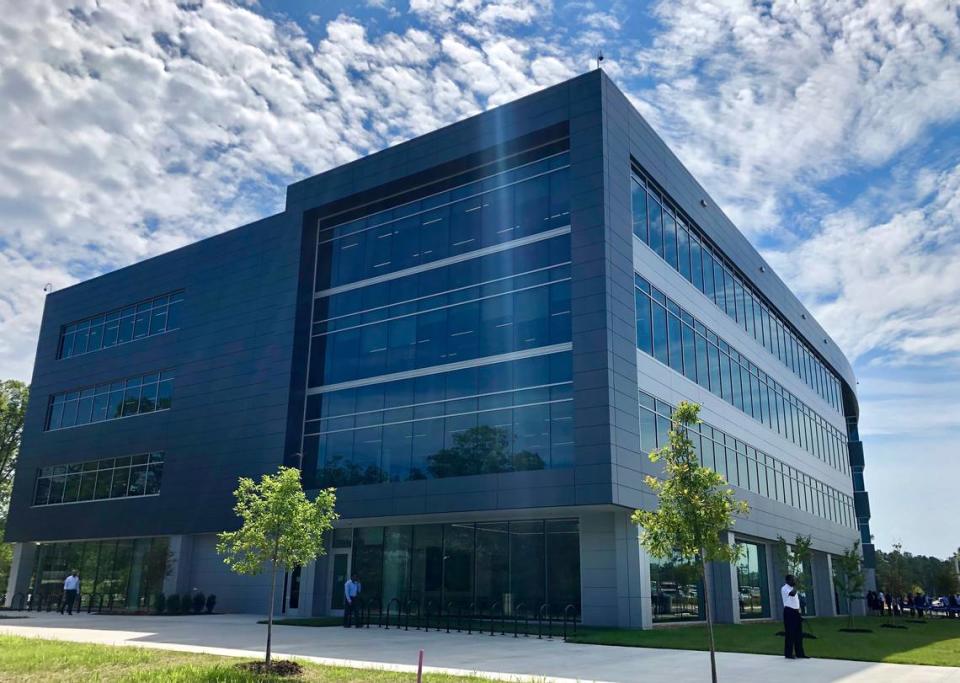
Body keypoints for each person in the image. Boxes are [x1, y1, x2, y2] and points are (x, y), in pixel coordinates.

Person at [781, 574, 808, 660]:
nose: (794, 581)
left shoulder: (793, 588)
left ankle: (800, 653)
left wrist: (799, 613)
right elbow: (792, 594)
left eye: (794, 580)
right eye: (793, 580)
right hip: (789, 612)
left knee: (798, 634)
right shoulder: (784, 588)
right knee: (790, 633)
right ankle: (788, 654)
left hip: (796, 612)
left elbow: (796, 602)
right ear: (788, 581)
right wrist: (797, 586)